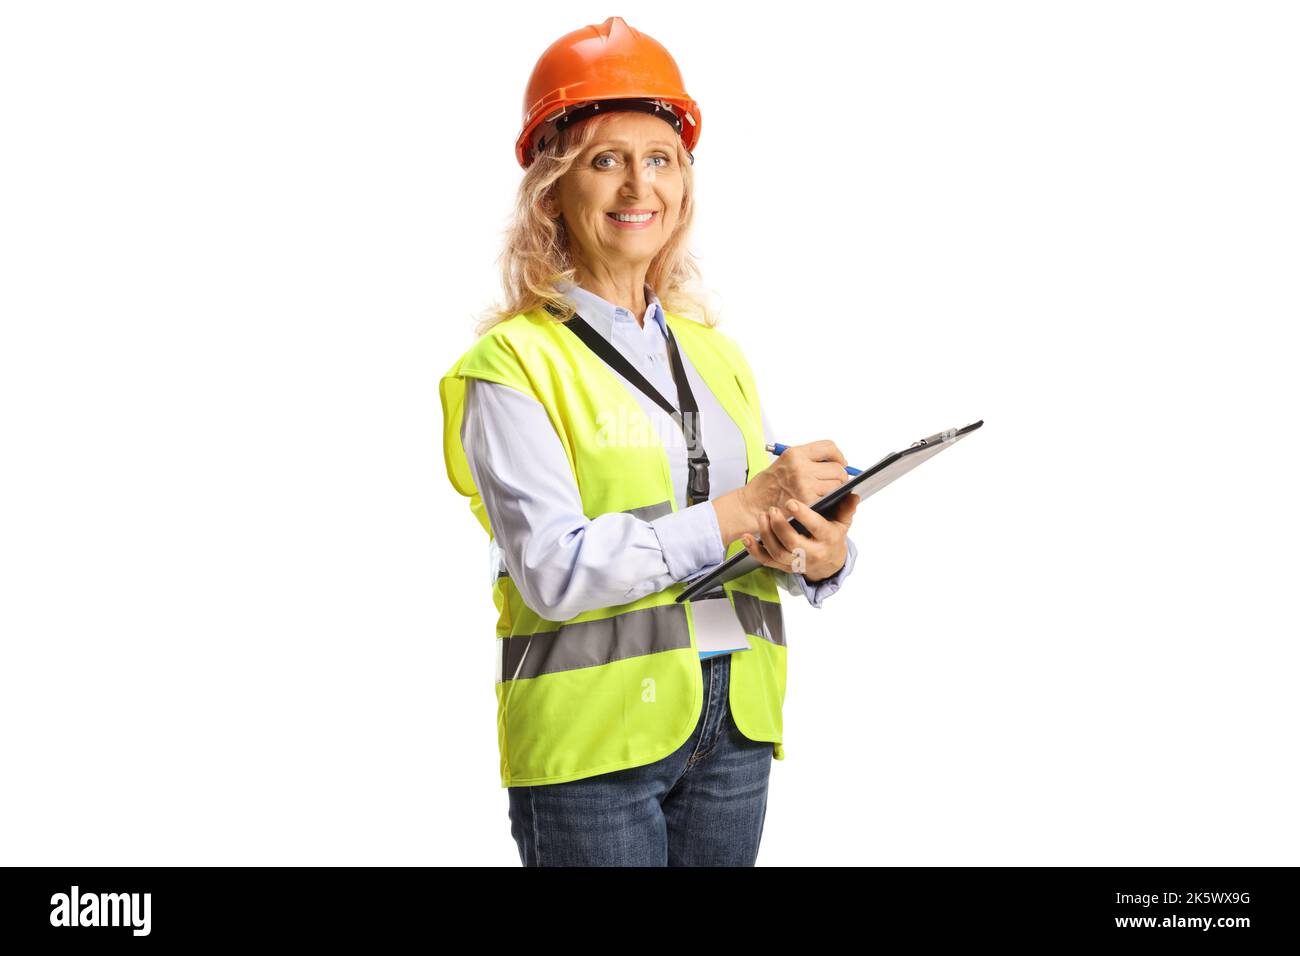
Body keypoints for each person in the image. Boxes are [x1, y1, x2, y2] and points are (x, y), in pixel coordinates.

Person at [439, 16, 861, 867]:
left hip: (733, 725)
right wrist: (741, 509)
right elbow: (553, 572)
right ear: (553, 188)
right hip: (594, 749)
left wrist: (818, 552)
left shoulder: (715, 354)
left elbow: (760, 520)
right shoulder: (512, 366)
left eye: (661, 158)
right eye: (607, 160)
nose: (640, 185)